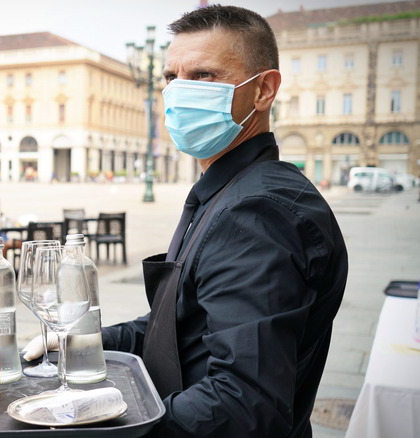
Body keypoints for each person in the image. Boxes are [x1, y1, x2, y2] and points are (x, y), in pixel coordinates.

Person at [27, 6, 349, 437]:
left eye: (204, 76)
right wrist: (82, 340)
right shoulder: (228, 191)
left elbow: (244, 406)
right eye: (170, 77)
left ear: (263, 91)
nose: (179, 91)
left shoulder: (257, 212)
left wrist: (106, 428)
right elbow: (182, 330)